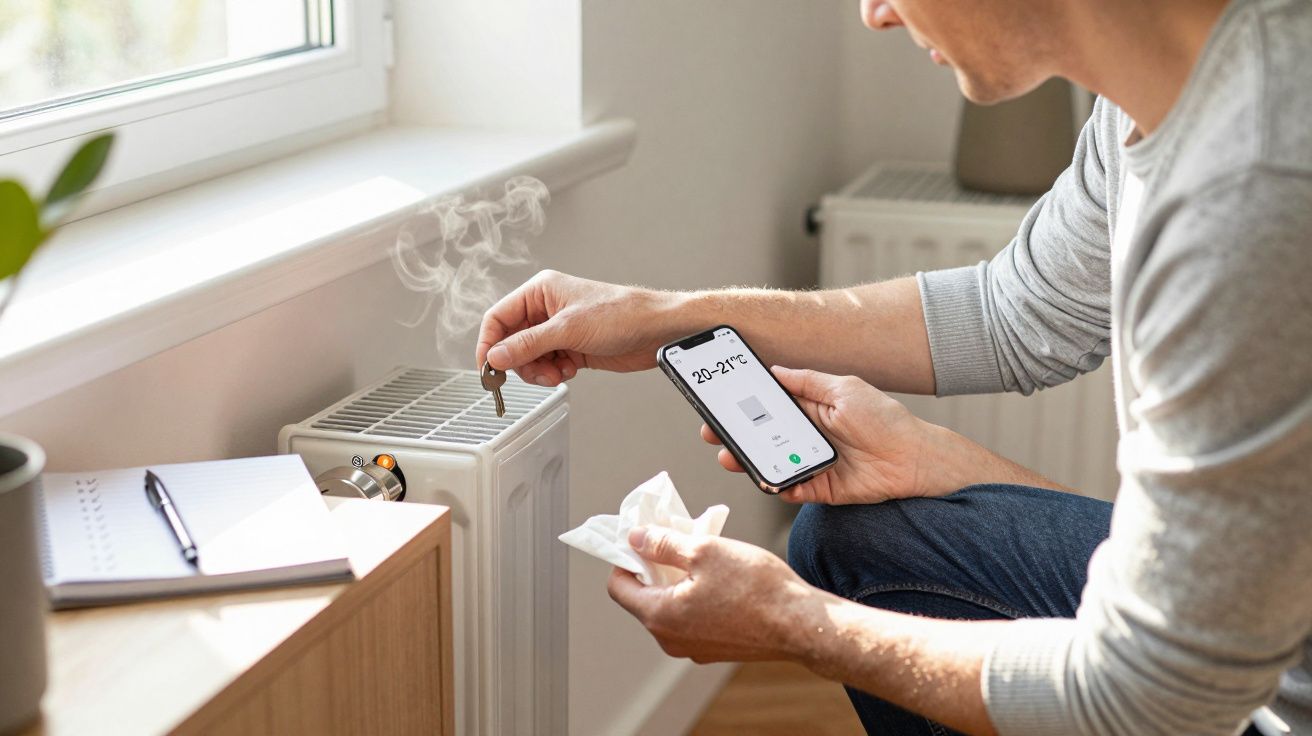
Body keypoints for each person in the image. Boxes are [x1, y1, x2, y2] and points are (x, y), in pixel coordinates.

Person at [475, 0, 1312, 732]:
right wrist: (666, 320)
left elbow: (1152, 700)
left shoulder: (1254, 189)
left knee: (841, 579)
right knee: (858, 536)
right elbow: (1014, 310)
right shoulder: (1150, 97)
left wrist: (792, 623)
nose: (874, 13)